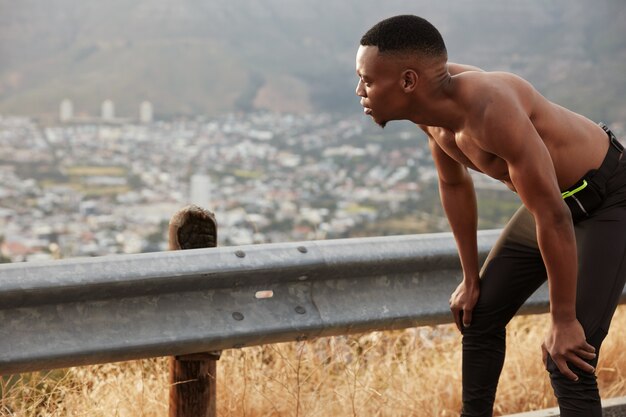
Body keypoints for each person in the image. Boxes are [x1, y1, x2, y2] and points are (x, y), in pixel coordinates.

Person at [355, 14, 626, 417]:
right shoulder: (429, 115)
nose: (360, 90)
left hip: (608, 199)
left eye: (368, 80)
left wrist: (563, 319)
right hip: (554, 205)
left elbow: (553, 217)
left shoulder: (490, 108)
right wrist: (470, 278)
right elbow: (454, 185)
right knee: (477, 316)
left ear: (409, 81)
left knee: (568, 355)